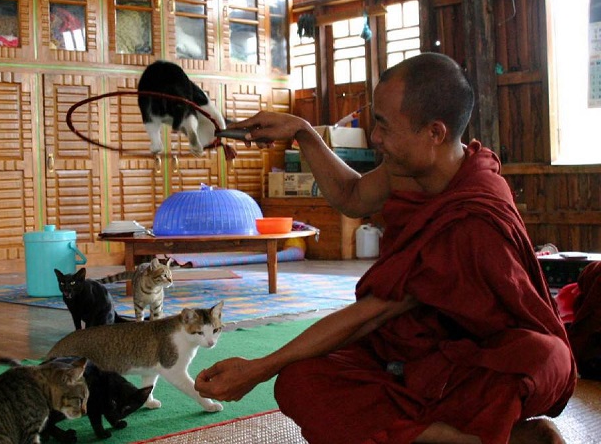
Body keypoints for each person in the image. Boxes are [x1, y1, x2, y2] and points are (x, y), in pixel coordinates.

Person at [194, 53, 576, 444]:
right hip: (410, 354)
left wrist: (259, 367)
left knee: (543, 357)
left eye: (384, 125)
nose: (375, 137)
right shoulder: (408, 170)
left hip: (478, 361)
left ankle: (447, 434)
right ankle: (468, 438)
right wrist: (302, 132)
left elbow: (372, 313)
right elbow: (351, 194)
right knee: (301, 379)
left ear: (435, 133)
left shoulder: (471, 215)